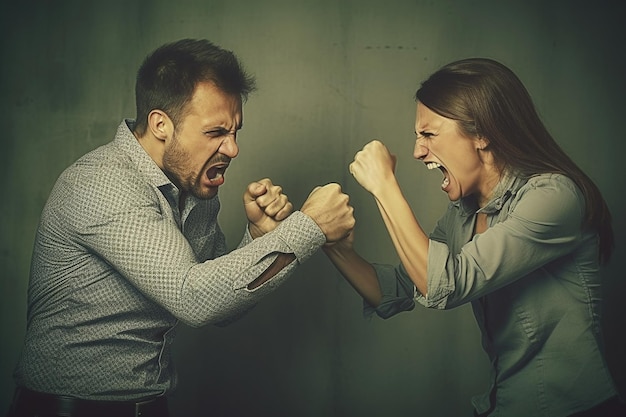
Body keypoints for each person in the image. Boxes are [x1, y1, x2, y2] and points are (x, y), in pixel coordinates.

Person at [7, 39, 355, 417]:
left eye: (235, 131)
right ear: (160, 125)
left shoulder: (191, 186)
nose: (233, 149)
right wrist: (310, 226)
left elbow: (222, 304)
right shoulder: (102, 183)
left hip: (150, 405)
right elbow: (195, 299)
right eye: (216, 132)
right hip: (68, 410)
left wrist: (259, 236)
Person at [323, 58, 624, 416]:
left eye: (429, 134)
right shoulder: (464, 214)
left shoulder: (554, 197)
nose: (417, 150)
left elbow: (445, 284)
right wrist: (332, 243)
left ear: (482, 133)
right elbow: (396, 289)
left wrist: (385, 187)